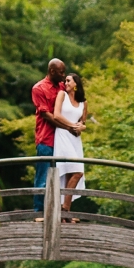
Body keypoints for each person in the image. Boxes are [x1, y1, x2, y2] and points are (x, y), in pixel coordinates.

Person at [31, 58, 81, 216]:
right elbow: (47, 115)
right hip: (47, 139)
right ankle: (40, 212)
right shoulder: (39, 88)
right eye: (61, 72)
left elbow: (74, 102)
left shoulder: (62, 86)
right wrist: (69, 127)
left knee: (66, 175)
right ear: (52, 71)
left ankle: (61, 211)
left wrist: (80, 123)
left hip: (64, 140)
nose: (63, 75)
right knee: (43, 177)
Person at [53, 74, 86, 218]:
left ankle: (65, 212)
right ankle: (64, 209)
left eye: (68, 81)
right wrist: (72, 125)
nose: (65, 83)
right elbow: (56, 115)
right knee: (78, 172)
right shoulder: (62, 95)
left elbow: (83, 122)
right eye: (65, 80)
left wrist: (81, 127)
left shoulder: (83, 102)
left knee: (70, 173)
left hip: (75, 139)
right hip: (63, 135)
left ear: (76, 84)